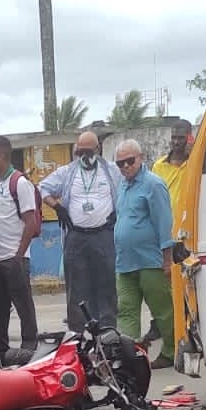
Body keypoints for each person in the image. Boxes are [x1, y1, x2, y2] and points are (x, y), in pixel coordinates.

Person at [39, 131, 121, 332]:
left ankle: (108, 332)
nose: (84, 156)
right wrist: (57, 207)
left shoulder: (112, 171)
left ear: (98, 149)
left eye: (88, 151)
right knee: (77, 289)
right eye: (80, 152)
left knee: (106, 285)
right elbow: (43, 187)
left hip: (104, 235)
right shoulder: (67, 172)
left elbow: (127, 189)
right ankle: (79, 334)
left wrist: (119, 211)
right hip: (76, 237)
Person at [114, 139, 175, 370]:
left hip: (150, 261)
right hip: (125, 263)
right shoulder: (122, 186)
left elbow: (163, 222)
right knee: (126, 311)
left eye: (130, 161)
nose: (125, 167)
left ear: (140, 158)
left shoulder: (153, 184)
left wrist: (167, 259)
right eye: (120, 163)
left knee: (162, 310)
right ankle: (131, 356)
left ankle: (170, 351)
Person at [0, 136, 38, 358]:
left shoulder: (20, 183)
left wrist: (18, 256)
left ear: (2, 156)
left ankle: (30, 350)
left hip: (13, 259)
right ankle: (0, 352)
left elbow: (31, 222)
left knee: (24, 307)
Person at [144, 119, 193, 343]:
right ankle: (160, 327)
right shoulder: (158, 167)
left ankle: (187, 327)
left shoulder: (195, 163)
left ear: (189, 138)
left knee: (186, 284)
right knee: (161, 287)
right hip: (163, 235)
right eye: (173, 137)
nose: (176, 142)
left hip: (187, 234)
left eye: (180, 138)